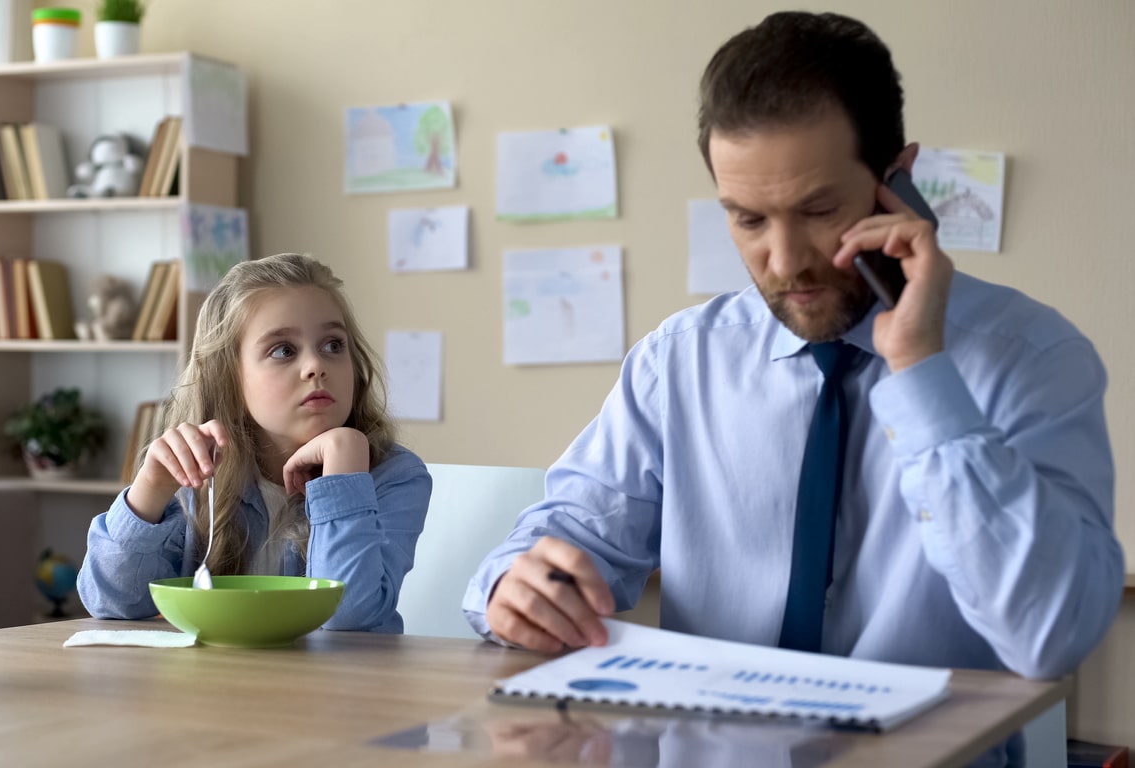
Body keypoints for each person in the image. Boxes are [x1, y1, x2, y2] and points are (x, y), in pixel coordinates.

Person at [466, 9, 1122, 751]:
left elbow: (1050, 636)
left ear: (896, 182)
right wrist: (513, 589)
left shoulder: (1033, 358)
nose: (782, 261)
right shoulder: (679, 361)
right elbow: (565, 538)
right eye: (746, 219)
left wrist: (920, 371)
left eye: (816, 210)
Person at [79, 252, 431, 632]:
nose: (317, 365)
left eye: (333, 345)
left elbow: (346, 615)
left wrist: (343, 474)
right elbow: (112, 602)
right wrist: (149, 492)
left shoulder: (394, 475)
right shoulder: (201, 470)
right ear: (229, 375)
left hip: (335, 688)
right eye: (284, 350)